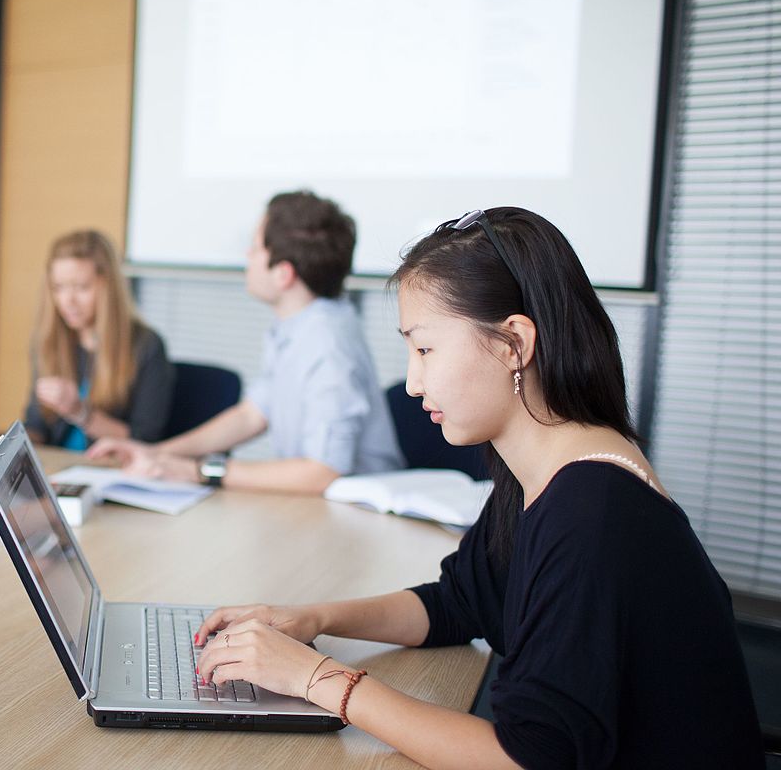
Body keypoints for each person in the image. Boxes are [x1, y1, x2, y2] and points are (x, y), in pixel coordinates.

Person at [190, 207, 762, 768]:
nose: (413, 382)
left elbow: (528, 759)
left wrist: (316, 678)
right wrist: (311, 619)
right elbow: (458, 603)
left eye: (424, 348)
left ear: (514, 343)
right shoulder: (544, 471)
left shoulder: (592, 513)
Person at [87, 190, 402, 495]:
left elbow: (322, 471)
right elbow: (253, 414)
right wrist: (156, 454)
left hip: (356, 512)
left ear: (283, 274)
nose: (247, 257)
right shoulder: (295, 327)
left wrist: (198, 471)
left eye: (255, 248)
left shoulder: (328, 343)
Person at [0, 230, 174, 449]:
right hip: (57, 473)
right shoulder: (49, 342)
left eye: (82, 288)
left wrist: (80, 413)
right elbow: (37, 431)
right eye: (59, 288)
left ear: (109, 287)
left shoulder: (146, 346)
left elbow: (144, 441)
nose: (68, 301)